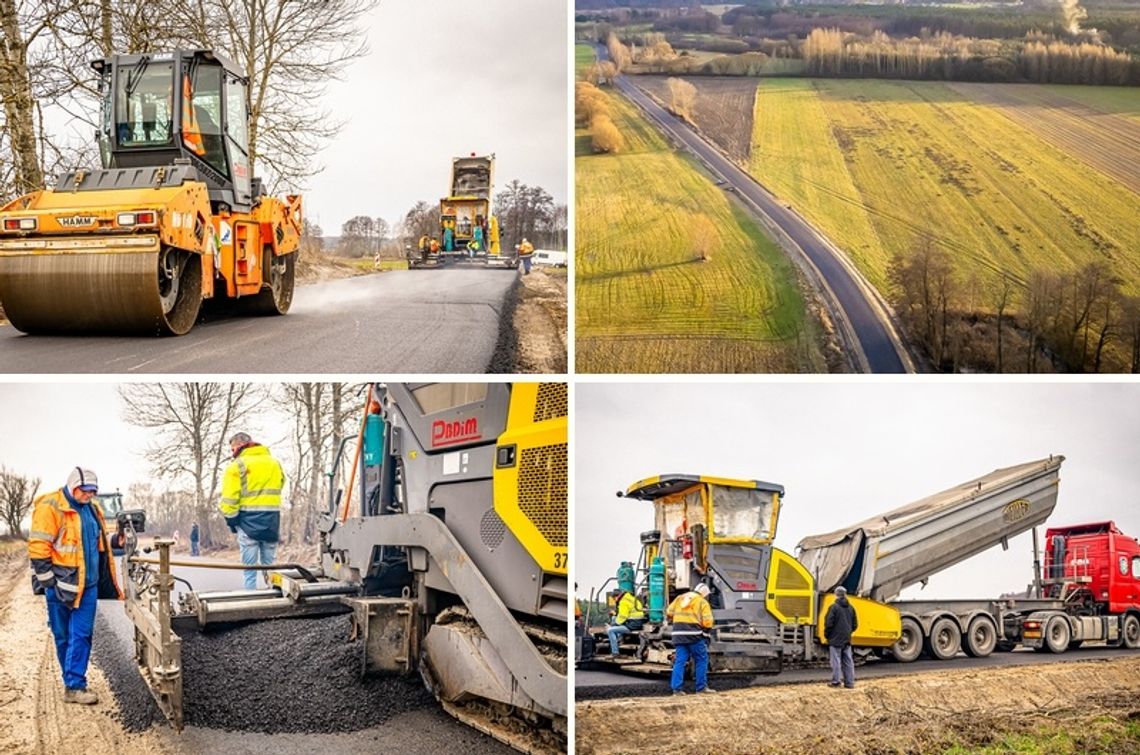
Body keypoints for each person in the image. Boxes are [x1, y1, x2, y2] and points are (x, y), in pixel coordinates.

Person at [27, 467, 123, 705]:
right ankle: (71, 676)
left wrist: (115, 541)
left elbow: (95, 541)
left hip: (87, 586)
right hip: (60, 584)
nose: (89, 495)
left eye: (93, 492)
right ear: (73, 487)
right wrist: (49, 583)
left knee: (82, 634)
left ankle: (74, 685)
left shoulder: (93, 509)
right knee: (62, 636)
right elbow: (39, 547)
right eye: (86, 491)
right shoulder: (50, 507)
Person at [218, 432, 285, 590]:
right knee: (270, 568)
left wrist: (232, 521)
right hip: (271, 521)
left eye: (232, 448)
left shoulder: (236, 466)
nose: (232, 452)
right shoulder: (275, 463)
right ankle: (277, 601)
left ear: (238, 446)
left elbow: (229, 500)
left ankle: (251, 601)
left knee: (249, 570)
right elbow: (280, 485)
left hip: (247, 523)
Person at [666, 581, 715, 695]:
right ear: (704, 593)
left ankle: (676, 690)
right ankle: (701, 688)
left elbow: (669, 612)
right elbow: (708, 622)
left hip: (678, 635)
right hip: (694, 635)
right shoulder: (702, 602)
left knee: (680, 661)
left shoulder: (680, 597)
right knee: (701, 659)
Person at [825, 585, 858, 689]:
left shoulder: (834, 607)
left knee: (836, 661)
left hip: (835, 639)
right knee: (848, 661)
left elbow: (829, 623)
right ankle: (849, 683)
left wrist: (828, 635)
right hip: (846, 638)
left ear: (836, 595)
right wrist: (848, 632)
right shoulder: (851, 608)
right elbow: (855, 624)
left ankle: (836, 682)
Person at [607, 588, 646, 658]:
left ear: (617, 597)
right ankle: (619, 639)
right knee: (614, 618)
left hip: (633, 624)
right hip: (637, 621)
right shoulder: (630, 597)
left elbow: (622, 617)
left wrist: (613, 625)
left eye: (614, 599)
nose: (614, 600)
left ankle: (615, 653)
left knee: (610, 630)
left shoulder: (623, 602)